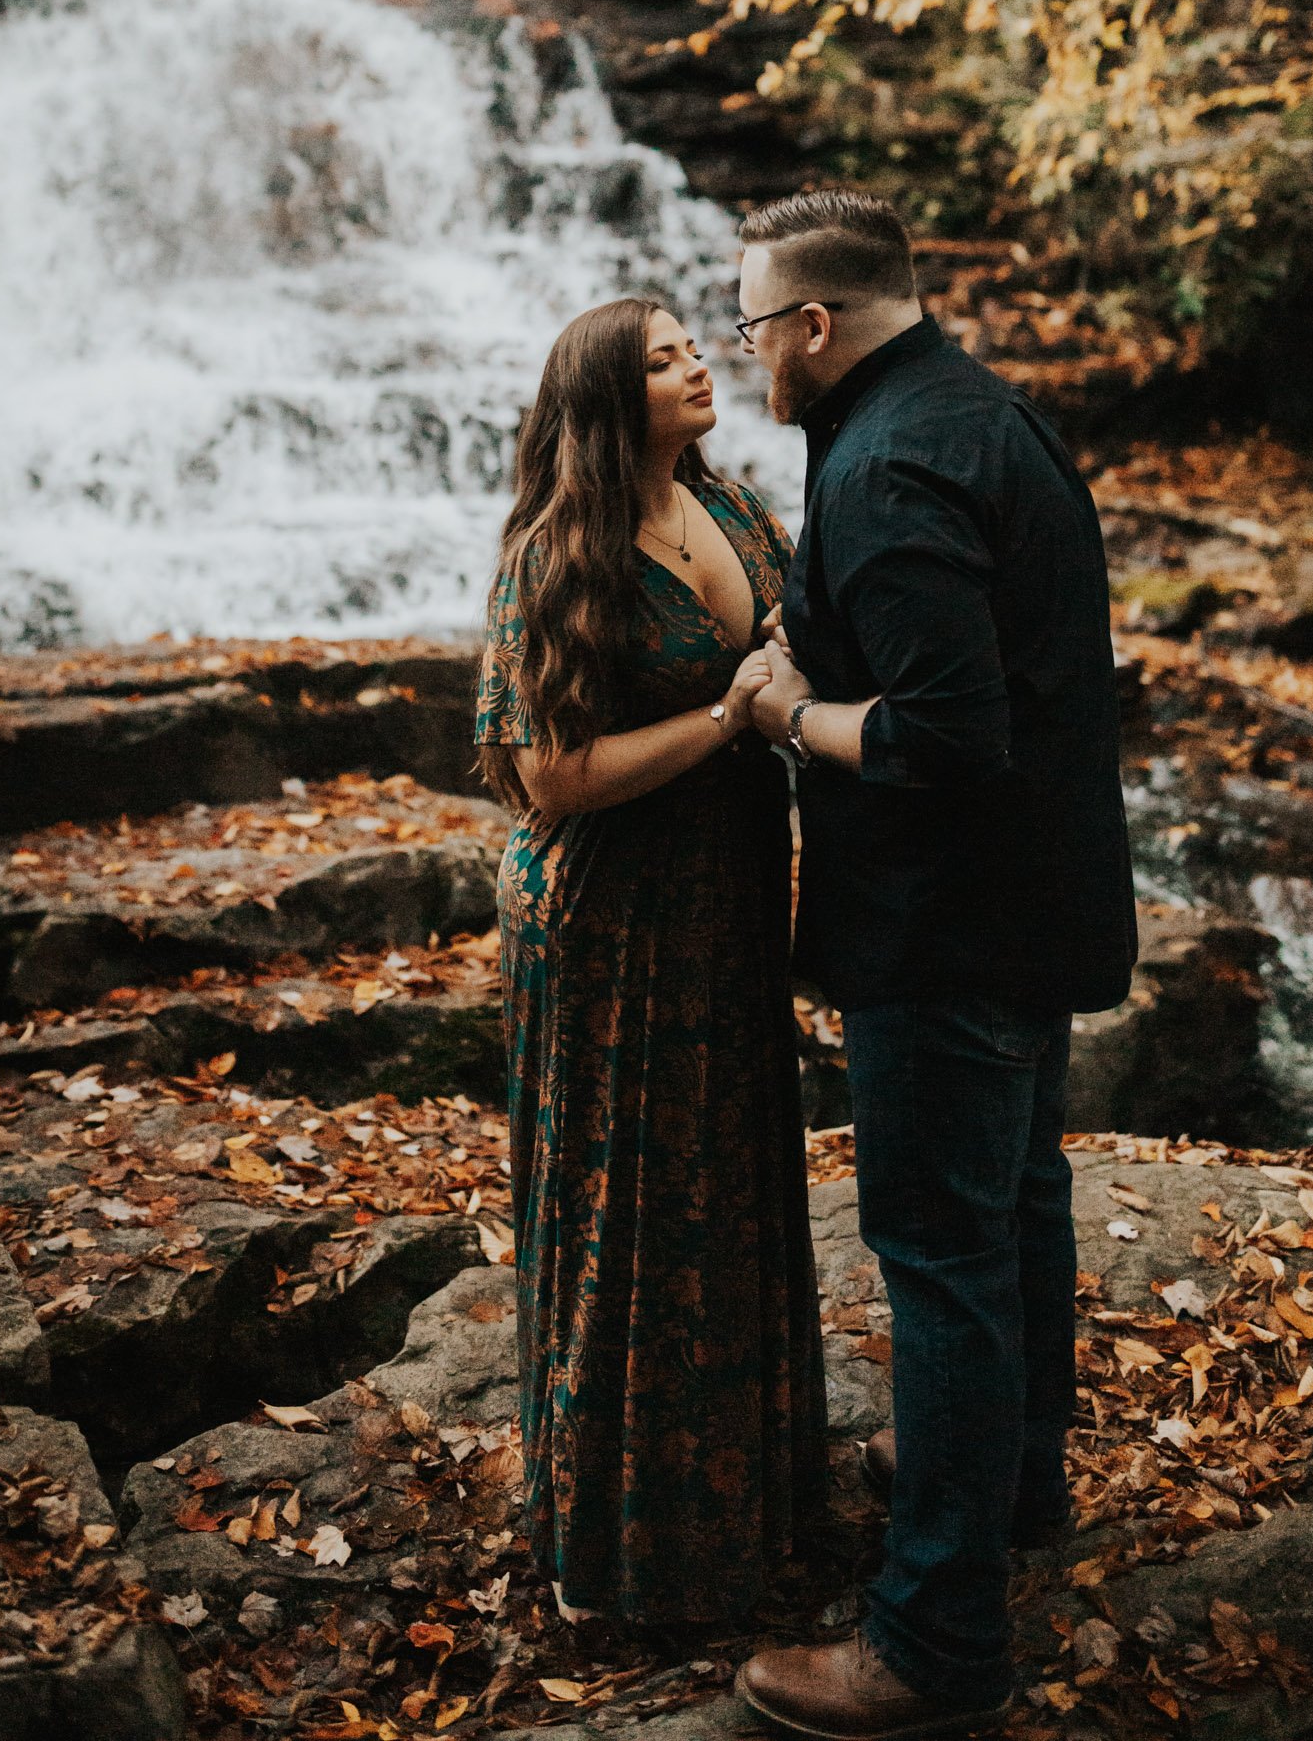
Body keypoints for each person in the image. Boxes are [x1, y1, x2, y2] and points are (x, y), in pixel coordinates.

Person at [731, 193, 1137, 1739]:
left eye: (757, 324)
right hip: (1037, 909)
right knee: (1018, 1210)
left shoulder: (892, 459)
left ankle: (934, 1638)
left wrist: (788, 715)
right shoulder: (980, 410)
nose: (748, 352)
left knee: (944, 1261)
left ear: (816, 326)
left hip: (950, 932)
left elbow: (945, 737)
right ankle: (1015, 1484)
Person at [474, 296, 826, 1627]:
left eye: (696, 346)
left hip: (727, 902)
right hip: (613, 920)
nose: (698, 365)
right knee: (632, 1207)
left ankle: (744, 1519)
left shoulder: (726, 506)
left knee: (727, 1185)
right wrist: (730, 721)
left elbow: (795, 635)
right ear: (609, 398)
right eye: (667, 356)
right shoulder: (558, 558)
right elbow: (545, 775)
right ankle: (619, 1557)